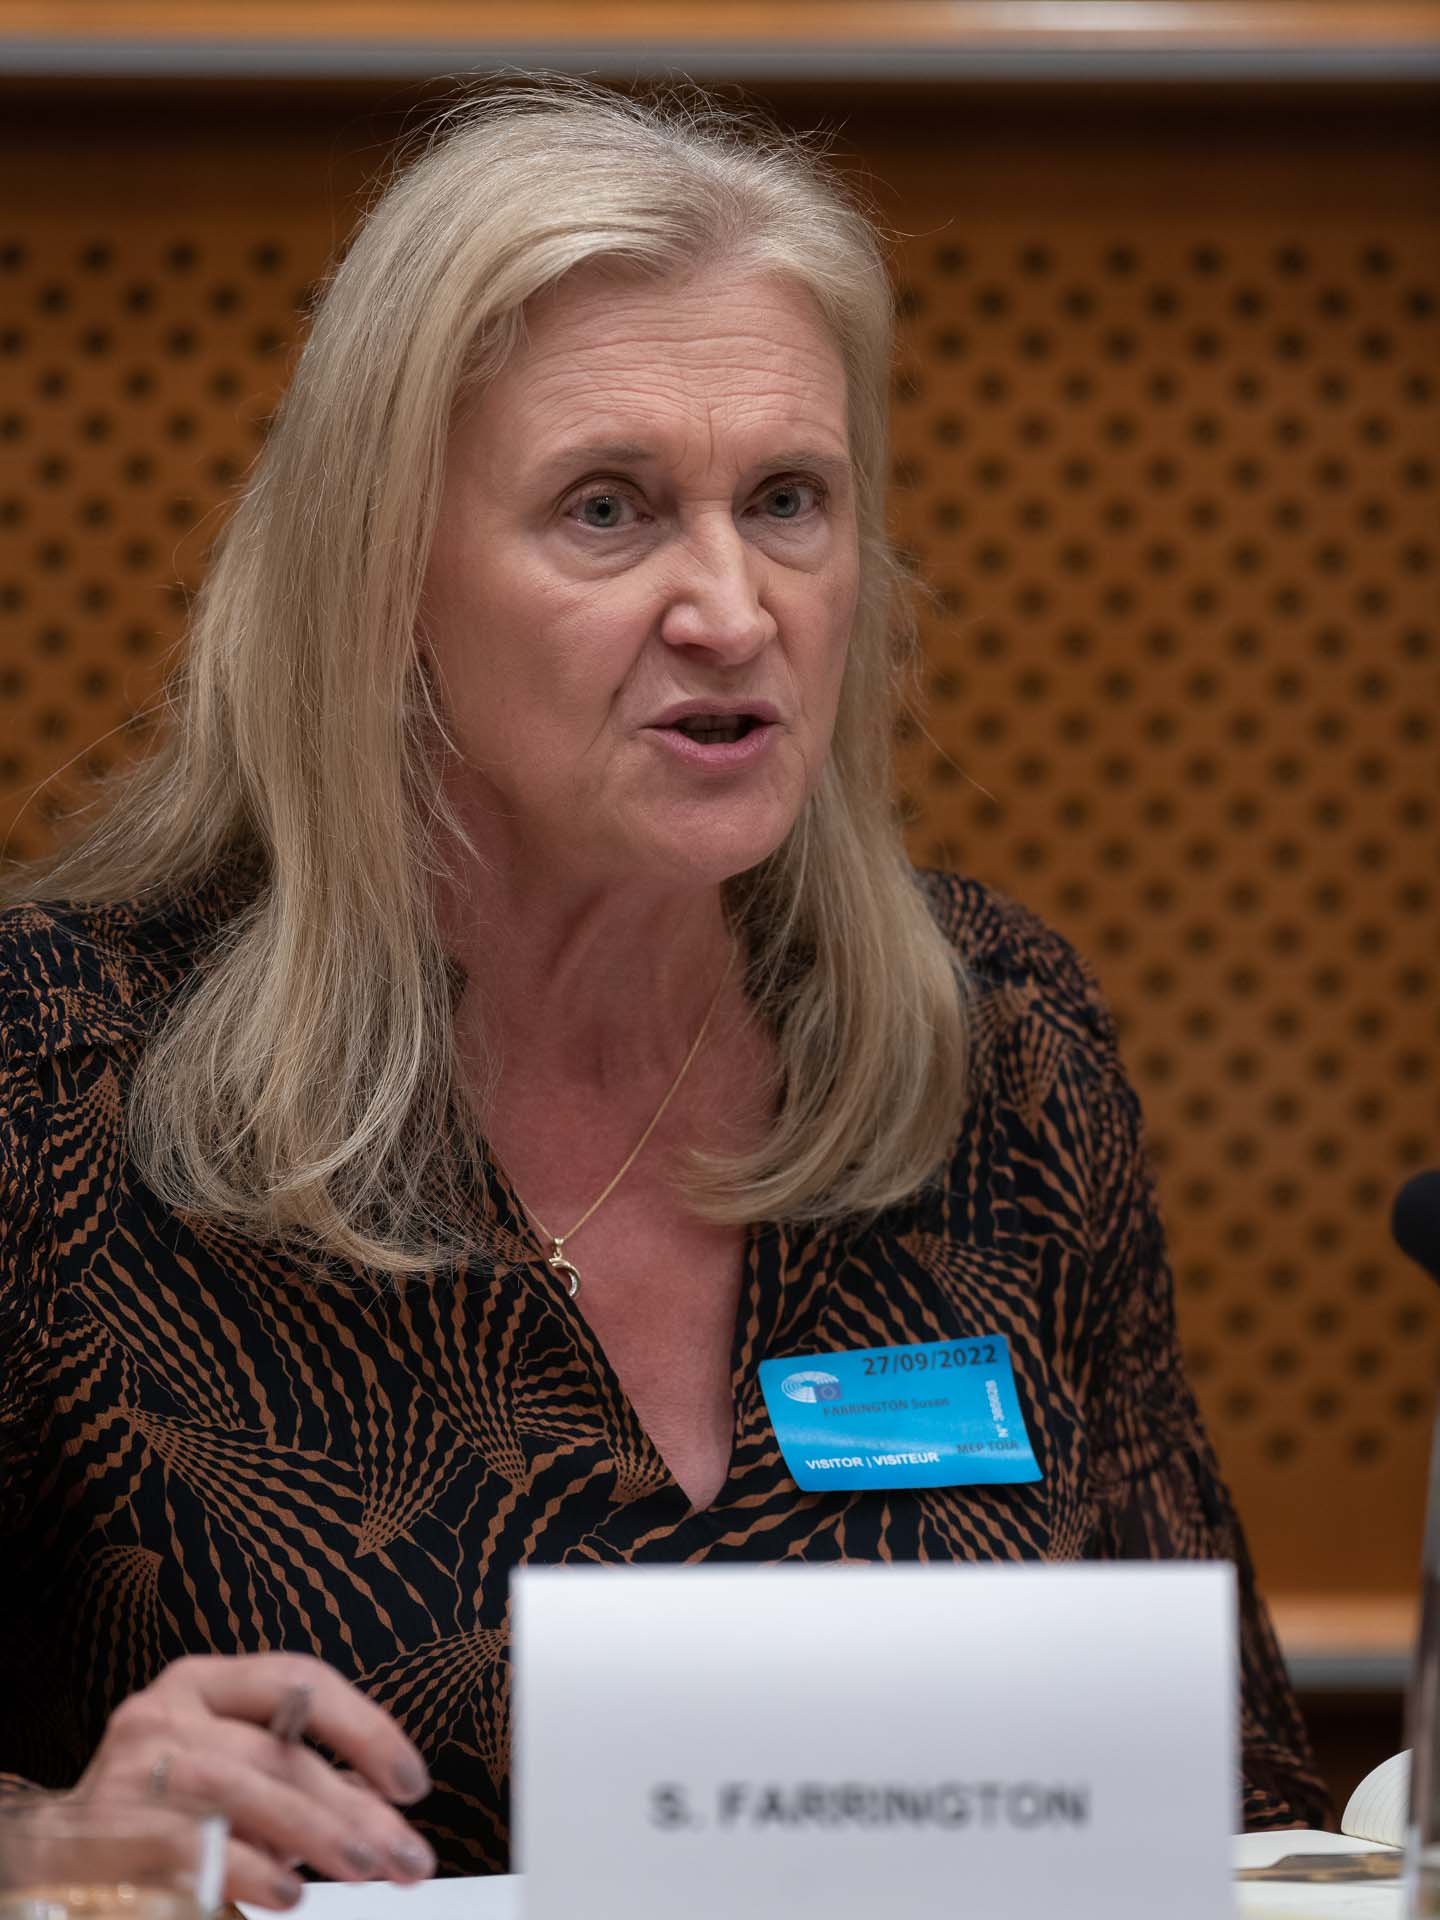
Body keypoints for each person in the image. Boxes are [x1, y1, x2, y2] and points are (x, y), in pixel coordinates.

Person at [0, 80, 1328, 1898]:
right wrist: (45, 1842)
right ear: (382, 576)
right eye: (608, 510)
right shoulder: (54, 1070)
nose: (733, 607)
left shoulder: (989, 1044)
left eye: (788, 502)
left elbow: (1228, 1804)